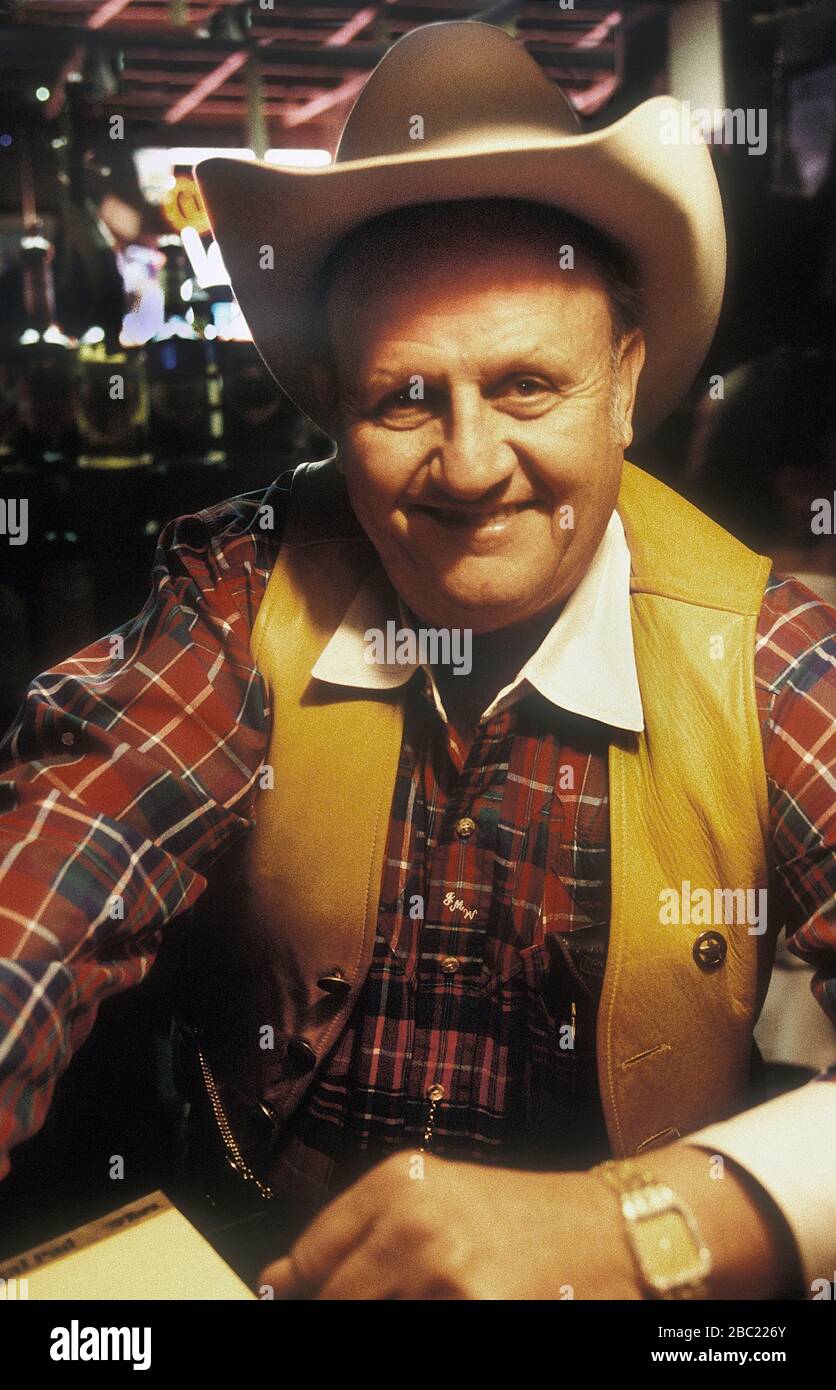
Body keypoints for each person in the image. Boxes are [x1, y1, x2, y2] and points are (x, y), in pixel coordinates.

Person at [1, 21, 834, 1301]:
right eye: (404, 397)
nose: (470, 464)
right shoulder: (238, 588)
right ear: (333, 408)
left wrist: (636, 1226)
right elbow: (57, 862)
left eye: (526, 385)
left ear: (623, 383)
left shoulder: (764, 656)